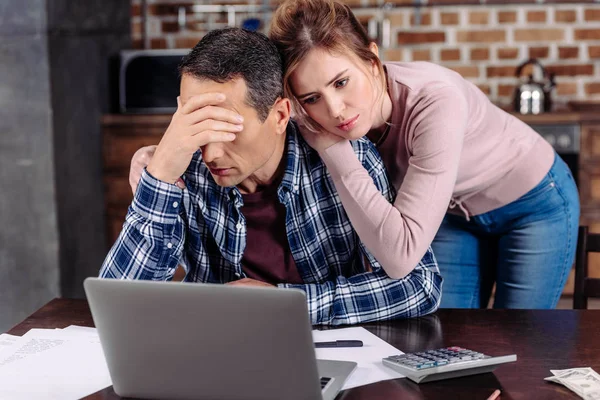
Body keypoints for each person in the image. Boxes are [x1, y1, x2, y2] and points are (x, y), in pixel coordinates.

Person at [101, 27, 442, 326]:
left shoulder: (349, 160)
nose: (212, 154)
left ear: (280, 115)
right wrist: (159, 177)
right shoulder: (179, 171)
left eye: (229, 128)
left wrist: (287, 304)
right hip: (217, 353)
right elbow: (117, 309)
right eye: (198, 124)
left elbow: (420, 285)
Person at [266, 0, 580, 309]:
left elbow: (398, 257)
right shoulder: (308, 118)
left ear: (372, 61)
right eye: (312, 97)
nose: (334, 110)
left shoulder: (435, 101)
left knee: (518, 339)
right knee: (447, 343)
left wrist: (333, 149)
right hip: (451, 216)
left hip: (534, 203)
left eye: (342, 82)